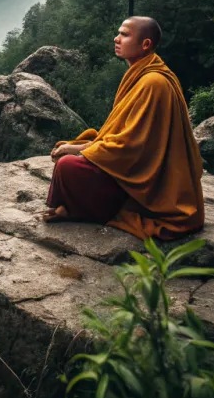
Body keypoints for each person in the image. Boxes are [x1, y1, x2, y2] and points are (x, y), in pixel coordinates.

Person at [42, 16, 204, 241]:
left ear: (145, 44)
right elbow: (126, 133)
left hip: (148, 182)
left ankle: (76, 210)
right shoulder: (142, 73)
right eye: (119, 33)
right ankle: (72, 208)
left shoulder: (153, 82)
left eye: (125, 35)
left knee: (69, 165)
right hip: (135, 167)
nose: (116, 39)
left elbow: (133, 147)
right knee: (71, 159)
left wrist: (82, 151)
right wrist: (88, 146)